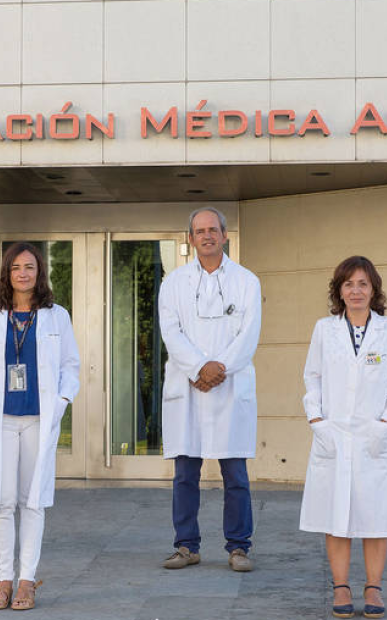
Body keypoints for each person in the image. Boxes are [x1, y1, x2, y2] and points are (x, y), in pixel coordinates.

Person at [0, 242, 80, 611]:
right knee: (1, 502)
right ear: (7, 274)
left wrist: (62, 402)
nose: (23, 274)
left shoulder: (56, 316)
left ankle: (27, 582)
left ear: (39, 272)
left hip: (37, 420)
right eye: (16, 267)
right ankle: (3, 581)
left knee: (33, 503)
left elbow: (70, 367)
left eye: (30, 267)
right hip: (0, 419)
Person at [299, 255, 387, 619]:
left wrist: (385, 420)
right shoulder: (324, 329)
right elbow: (312, 377)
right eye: (349, 284)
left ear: (374, 289)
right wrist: (317, 420)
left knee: (375, 515)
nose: (356, 290)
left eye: (363, 283)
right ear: (339, 290)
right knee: (337, 514)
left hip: (374, 435)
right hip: (333, 434)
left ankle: (374, 588)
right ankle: (341, 586)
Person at [158, 207, 261, 573]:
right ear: (190, 238)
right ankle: (186, 546)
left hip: (229, 388)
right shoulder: (173, 283)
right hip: (188, 388)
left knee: (235, 475)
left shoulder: (247, 281)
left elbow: (248, 335)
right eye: (199, 231)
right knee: (186, 474)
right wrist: (199, 368)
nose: (207, 236)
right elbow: (171, 332)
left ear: (225, 234)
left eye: (213, 229)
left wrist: (218, 369)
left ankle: (238, 547)